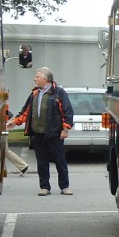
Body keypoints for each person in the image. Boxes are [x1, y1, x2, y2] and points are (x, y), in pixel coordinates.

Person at [6, 67, 74, 195]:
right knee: (42, 161)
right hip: (38, 133)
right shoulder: (35, 93)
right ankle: (45, 187)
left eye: (37, 77)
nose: (34, 79)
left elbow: (67, 111)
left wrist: (66, 128)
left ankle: (64, 186)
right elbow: (26, 111)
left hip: (54, 133)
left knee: (60, 161)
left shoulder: (59, 92)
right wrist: (14, 122)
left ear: (45, 79)